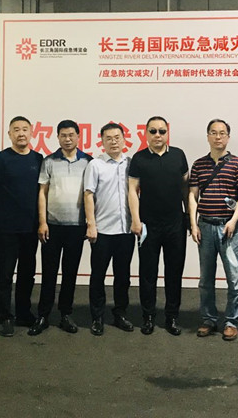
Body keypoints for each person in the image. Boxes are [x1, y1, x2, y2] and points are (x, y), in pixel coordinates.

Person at [188, 119, 238, 342]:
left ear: (228, 137)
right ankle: (208, 319)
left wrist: (234, 220)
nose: (218, 137)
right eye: (213, 133)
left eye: (222, 133)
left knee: (234, 278)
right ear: (207, 136)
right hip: (205, 226)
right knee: (205, 278)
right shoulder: (198, 165)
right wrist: (193, 224)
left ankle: (231, 322)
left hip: (228, 227)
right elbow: (193, 195)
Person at [0, 116, 44, 337]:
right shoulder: (0, 159)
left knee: (27, 273)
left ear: (31, 133)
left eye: (25, 129)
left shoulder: (38, 159)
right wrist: (2, 206)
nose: (21, 133)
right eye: (16, 129)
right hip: (7, 227)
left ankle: (24, 312)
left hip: (31, 227)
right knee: (5, 274)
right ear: (9, 134)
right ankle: (5, 317)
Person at [30, 120, 92, 336]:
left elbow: (91, 194)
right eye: (63, 135)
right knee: (48, 273)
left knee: (70, 273)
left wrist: (90, 222)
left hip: (76, 226)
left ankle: (66, 314)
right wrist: (42, 222)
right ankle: (43, 315)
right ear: (57, 137)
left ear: (78, 136)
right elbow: (42, 193)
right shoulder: (49, 161)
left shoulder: (88, 162)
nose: (67, 139)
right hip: (52, 226)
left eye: (71, 135)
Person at [129, 116, 189, 336]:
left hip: (175, 224)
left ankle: (172, 317)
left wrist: (189, 217)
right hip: (148, 225)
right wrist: (136, 220)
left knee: (174, 272)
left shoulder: (178, 155)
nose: (157, 135)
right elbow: (132, 190)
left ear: (167, 133)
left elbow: (185, 188)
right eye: (153, 131)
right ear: (146, 133)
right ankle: (148, 316)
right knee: (148, 273)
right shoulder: (139, 158)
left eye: (162, 131)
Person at [84, 122, 134, 335]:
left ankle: (120, 314)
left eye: (117, 137)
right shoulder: (95, 165)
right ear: (102, 141)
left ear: (124, 140)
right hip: (102, 230)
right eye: (109, 138)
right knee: (98, 276)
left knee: (123, 277)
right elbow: (88, 194)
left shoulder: (131, 164)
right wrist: (91, 224)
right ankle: (97, 317)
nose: (113, 142)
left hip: (126, 231)